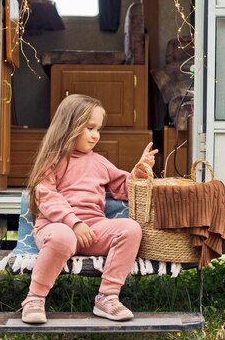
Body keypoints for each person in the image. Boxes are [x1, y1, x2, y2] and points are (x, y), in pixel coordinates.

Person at [20, 94, 158, 324]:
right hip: (58, 229)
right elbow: (45, 195)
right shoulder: (54, 160)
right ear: (70, 127)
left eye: (98, 129)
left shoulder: (99, 162)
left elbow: (125, 187)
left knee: (131, 229)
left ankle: (107, 297)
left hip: (93, 230)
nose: (96, 135)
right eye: (90, 128)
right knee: (63, 236)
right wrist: (74, 222)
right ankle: (34, 298)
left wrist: (141, 170)